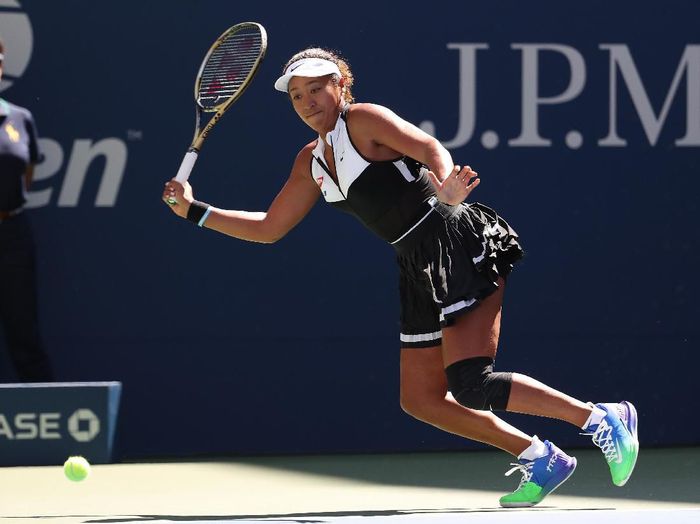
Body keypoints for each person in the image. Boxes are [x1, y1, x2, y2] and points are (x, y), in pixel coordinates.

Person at [163, 47, 638, 507]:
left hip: (455, 240)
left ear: (341, 85)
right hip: (415, 264)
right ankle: (540, 458)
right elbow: (269, 228)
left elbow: (429, 147)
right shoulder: (310, 160)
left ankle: (601, 418)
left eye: (316, 90)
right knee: (421, 398)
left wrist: (448, 188)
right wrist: (194, 211)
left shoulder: (363, 120)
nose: (307, 103)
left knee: (471, 382)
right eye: (297, 96)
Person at [0, 37, 53, 382]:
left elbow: (25, 175)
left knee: (24, 332)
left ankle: (45, 421)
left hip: (13, 234)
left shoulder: (21, 118)